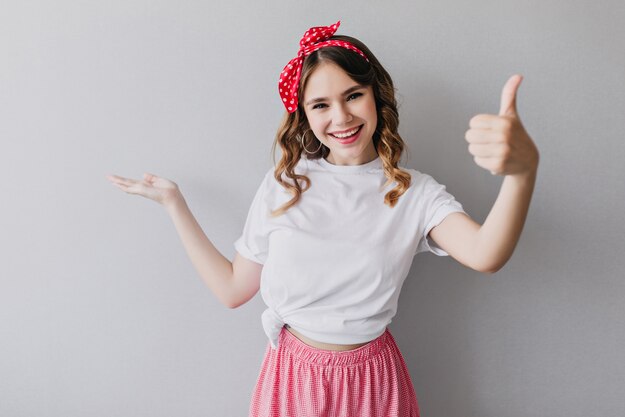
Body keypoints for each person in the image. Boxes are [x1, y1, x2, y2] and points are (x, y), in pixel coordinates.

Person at [106, 20, 539, 417]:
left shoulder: (414, 192)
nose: (341, 117)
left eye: (353, 95)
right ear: (304, 116)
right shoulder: (285, 184)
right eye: (320, 105)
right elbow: (233, 289)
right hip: (293, 379)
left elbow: (486, 254)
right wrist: (174, 204)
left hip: (373, 383)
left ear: (376, 95)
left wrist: (522, 172)